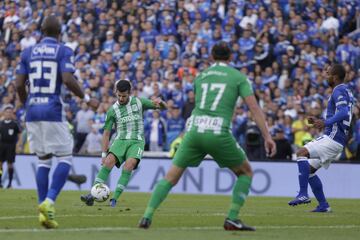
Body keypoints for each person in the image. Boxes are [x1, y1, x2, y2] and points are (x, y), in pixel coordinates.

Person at [139, 41, 276, 230]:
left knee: (170, 177)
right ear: (230, 57)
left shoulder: (200, 76)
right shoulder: (238, 77)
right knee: (246, 173)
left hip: (194, 130)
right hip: (218, 131)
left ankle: (146, 216)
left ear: (211, 57)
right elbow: (253, 107)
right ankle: (232, 218)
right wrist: (267, 136)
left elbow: (200, 101)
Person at [15, 16, 96, 229]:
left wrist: (26, 105)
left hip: (32, 110)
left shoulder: (27, 52)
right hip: (52, 109)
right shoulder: (63, 50)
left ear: (41, 31)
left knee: (43, 160)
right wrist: (87, 99)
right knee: (65, 157)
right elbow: (68, 79)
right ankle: (50, 201)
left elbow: (18, 85)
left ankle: (44, 211)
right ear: (60, 33)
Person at [81, 80, 167, 207]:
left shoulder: (139, 102)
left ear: (129, 93)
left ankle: (114, 199)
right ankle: (92, 194)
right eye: (119, 95)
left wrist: (162, 103)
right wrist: (104, 154)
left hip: (137, 141)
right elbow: (106, 134)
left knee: (129, 165)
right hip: (120, 140)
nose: (121, 98)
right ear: (116, 92)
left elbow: (161, 107)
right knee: (109, 161)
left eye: (124, 96)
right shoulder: (112, 110)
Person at [288, 64, 354, 212]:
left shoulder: (339, 90)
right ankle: (324, 205)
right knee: (309, 171)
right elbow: (345, 114)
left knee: (300, 153)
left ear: (335, 76)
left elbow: (344, 113)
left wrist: (325, 123)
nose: (326, 75)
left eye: (328, 73)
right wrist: (320, 120)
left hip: (332, 138)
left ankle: (303, 194)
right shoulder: (347, 91)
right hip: (337, 139)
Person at [0, 105, 21, 188]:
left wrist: (19, 144)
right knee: (0, 165)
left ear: (12, 114)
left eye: (10, 112)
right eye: (7, 112)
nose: (8, 113)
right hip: (2, 145)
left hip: (11, 146)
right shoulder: (1, 124)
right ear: (4, 113)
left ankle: (10, 183)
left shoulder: (14, 124)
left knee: (10, 164)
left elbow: (20, 134)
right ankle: (0, 182)